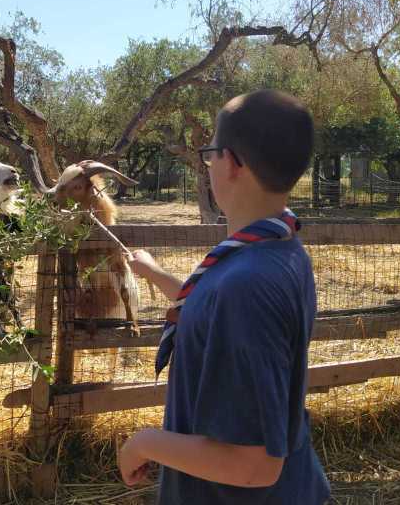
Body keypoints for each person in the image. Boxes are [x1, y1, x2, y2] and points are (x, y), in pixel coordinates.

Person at [119, 90, 331, 504]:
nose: (208, 162)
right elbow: (212, 309)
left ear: (231, 163)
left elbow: (254, 466)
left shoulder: (247, 285)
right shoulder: (277, 247)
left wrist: (145, 443)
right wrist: (156, 274)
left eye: (210, 152)